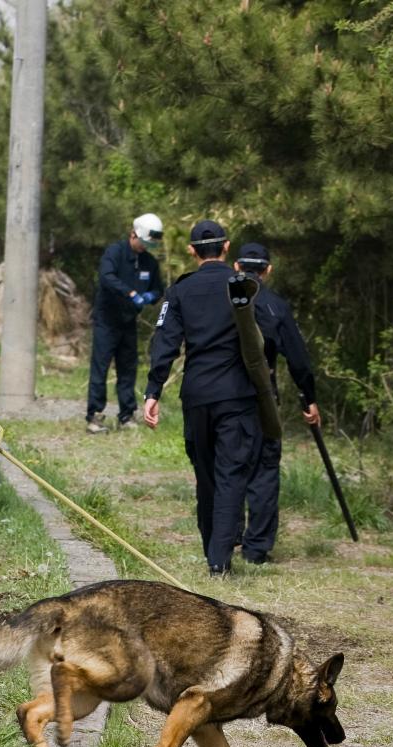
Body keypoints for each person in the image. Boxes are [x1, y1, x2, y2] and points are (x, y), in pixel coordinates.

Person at [143, 220, 260, 577]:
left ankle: (213, 549)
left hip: (197, 394)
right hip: (237, 395)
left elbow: (165, 342)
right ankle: (218, 559)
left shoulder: (181, 291)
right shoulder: (243, 287)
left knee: (206, 476)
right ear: (227, 249)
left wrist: (153, 390)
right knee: (231, 475)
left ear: (192, 252)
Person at [232, 243, 320, 564]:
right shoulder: (275, 307)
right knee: (265, 469)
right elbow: (299, 360)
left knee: (229, 467)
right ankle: (256, 548)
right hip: (263, 397)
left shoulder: (222, 302)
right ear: (267, 270)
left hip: (224, 396)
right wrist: (308, 398)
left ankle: (228, 538)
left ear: (237, 267)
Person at [86, 213, 165, 433]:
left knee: (128, 370)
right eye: (143, 242)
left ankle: (126, 415)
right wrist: (130, 293)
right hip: (106, 320)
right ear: (133, 234)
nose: (144, 247)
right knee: (100, 369)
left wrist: (151, 296)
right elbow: (107, 277)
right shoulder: (115, 253)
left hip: (129, 322)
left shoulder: (149, 261)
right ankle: (95, 417)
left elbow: (158, 287)